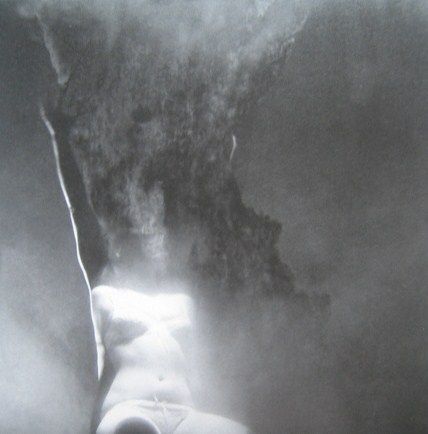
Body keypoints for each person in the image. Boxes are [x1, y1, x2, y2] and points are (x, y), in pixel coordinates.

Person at [91, 281, 248, 434]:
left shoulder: (184, 302)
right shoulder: (105, 296)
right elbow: (90, 364)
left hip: (184, 413)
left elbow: (195, 370)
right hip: (130, 407)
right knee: (132, 429)